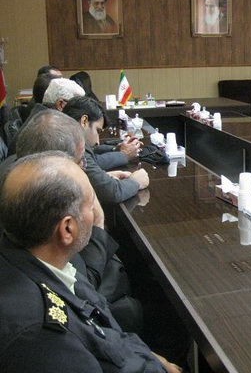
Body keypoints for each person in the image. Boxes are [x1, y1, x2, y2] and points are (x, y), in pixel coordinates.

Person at [0, 152, 181, 372]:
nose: (95, 209)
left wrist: (154, 359)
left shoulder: (45, 261)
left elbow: (105, 332)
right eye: (90, 203)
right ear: (68, 229)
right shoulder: (43, 339)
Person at [6, 109, 144, 334]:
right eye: (80, 161)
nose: (83, 168)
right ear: (56, 163)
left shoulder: (14, 175)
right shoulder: (47, 209)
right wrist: (98, 222)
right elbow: (83, 284)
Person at [63, 96, 149, 205]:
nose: (97, 142)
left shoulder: (62, 135)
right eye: (97, 131)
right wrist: (136, 182)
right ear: (84, 121)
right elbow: (112, 192)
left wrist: (104, 177)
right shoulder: (73, 147)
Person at [7, 78, 86, 156]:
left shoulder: (39, 115)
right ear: (60, 104)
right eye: (77, 106)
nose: (79, 112)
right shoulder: (48, 127)